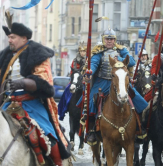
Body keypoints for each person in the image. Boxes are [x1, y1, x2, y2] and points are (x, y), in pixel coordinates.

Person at [0, 23, 71, 166]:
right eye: (8, 37)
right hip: (8, 102)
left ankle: (58, 163)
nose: (9, 40)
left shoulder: (37, 53)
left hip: (30, 103)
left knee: (48, 136)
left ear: (24, 38)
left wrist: (24, 83)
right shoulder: (5, 55)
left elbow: (45, 83)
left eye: (12, 37)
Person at [83, 28, 148, 144]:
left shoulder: (121, 50)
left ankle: (139, 126)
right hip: (103, 82)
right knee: (92, 100)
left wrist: (121, 59)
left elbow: (131, 61)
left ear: (115, 40)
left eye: (111, 39)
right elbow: (93, 64)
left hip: (119, 81)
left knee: (136, 97)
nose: (109, 41)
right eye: (107, 39)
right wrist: (89, 72)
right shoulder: (99, 52)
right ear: (103, 40)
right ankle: (92, 130)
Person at [58, 42, 87, 120]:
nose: (82, 53)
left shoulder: (88, 61)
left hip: (85, 81)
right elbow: (71, 72)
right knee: (66, 92)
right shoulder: (74, 61)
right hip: (75, 80)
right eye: (81, 51)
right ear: (79, 52)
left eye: (84, 51)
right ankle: (64, 109)